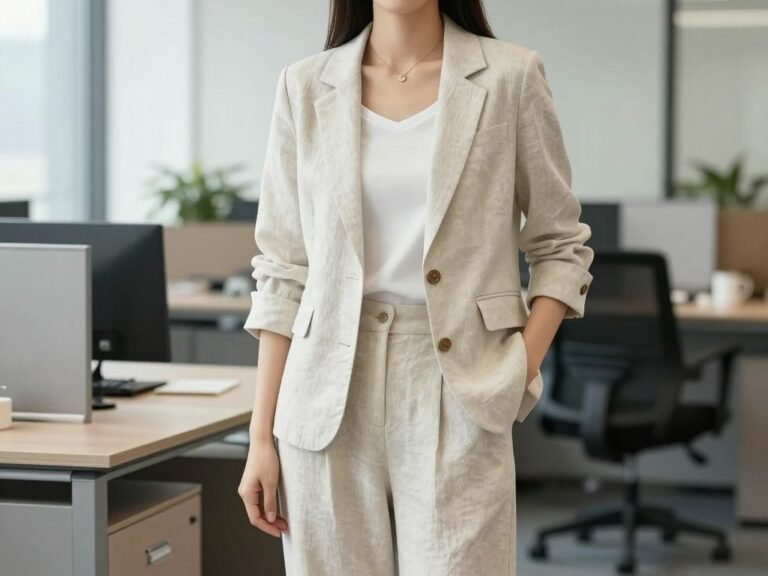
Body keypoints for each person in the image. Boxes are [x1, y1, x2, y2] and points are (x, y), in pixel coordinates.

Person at [239, 1, 594, 574]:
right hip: (326, 390)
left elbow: (561, 247)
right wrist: (260, 438)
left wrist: (515, 368)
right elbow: (284, 270)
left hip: (458, 383)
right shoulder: (304, 85)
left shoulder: (510, 76)